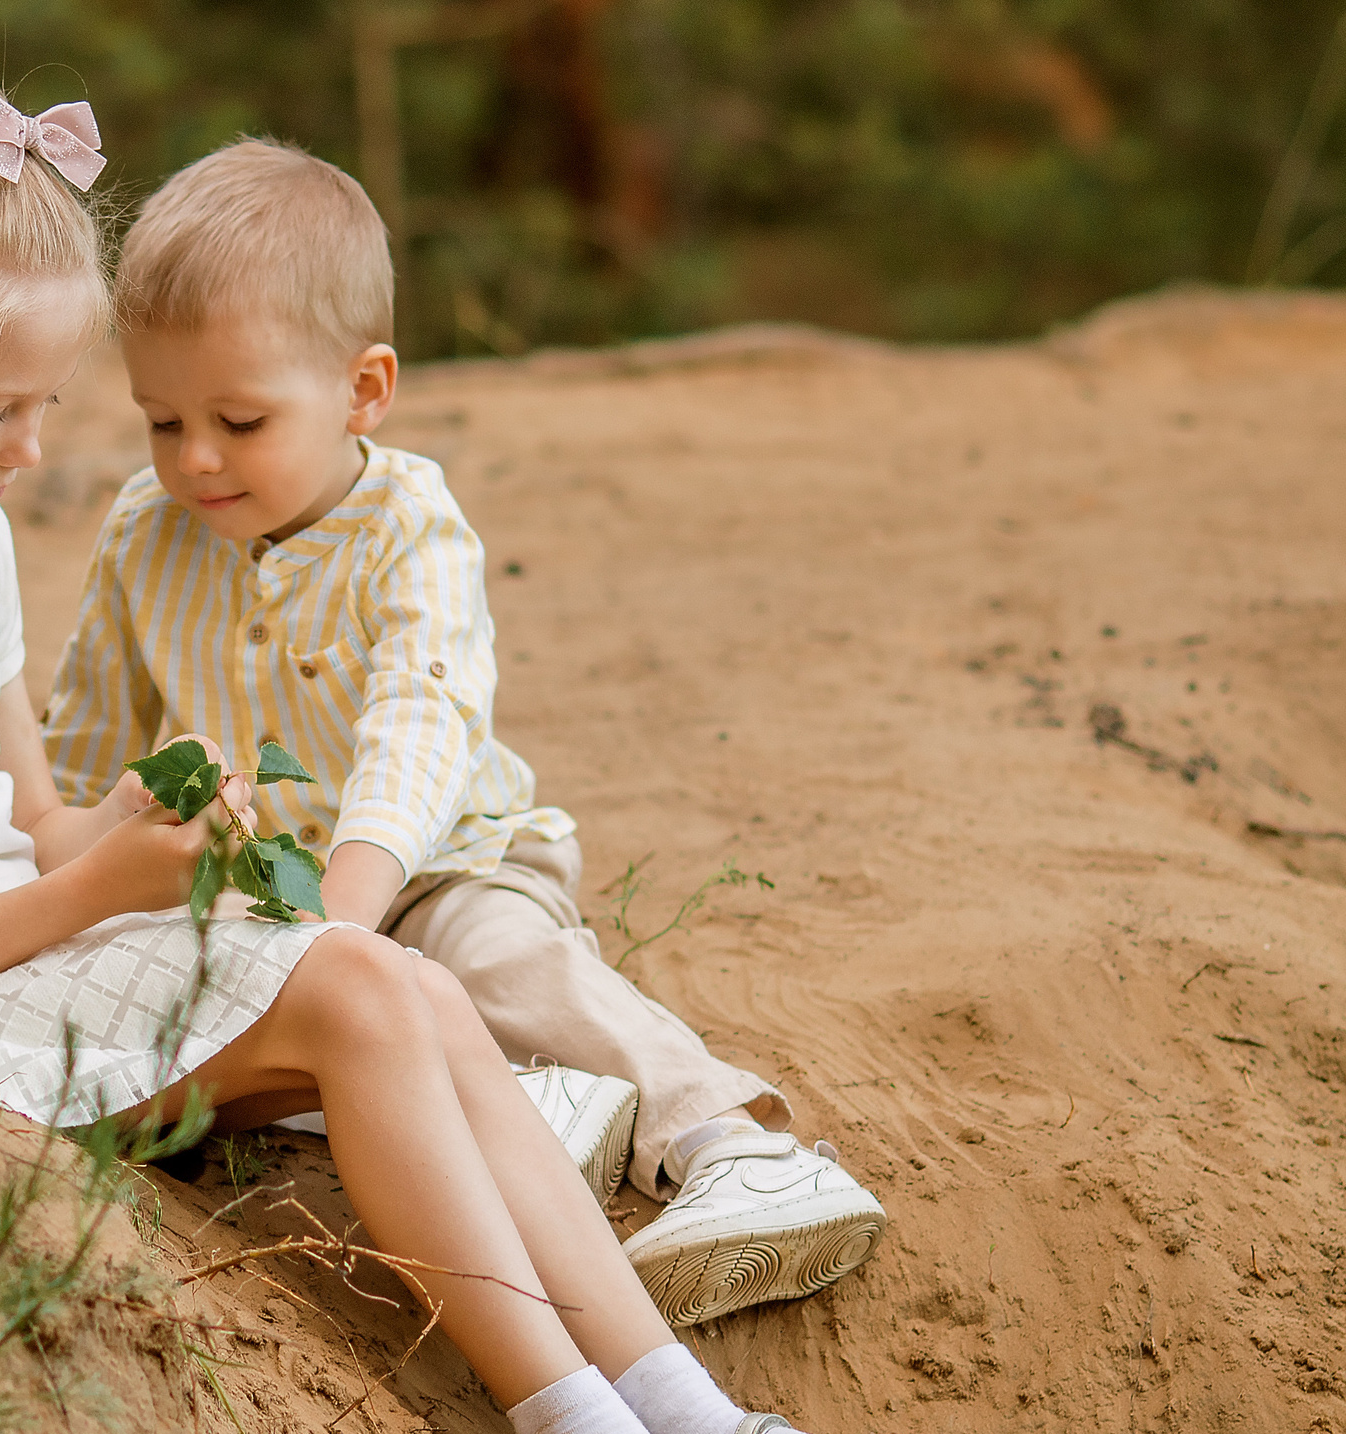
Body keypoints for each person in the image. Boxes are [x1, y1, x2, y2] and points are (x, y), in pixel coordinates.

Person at [0, 65, 959, 1434]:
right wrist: (87, 884)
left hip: (12, 959)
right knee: (352, 987)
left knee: (402, 988)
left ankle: (690, 1423)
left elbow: (31, 815)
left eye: (49, 407)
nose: (32, 451)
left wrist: (134, 827)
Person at [46, 138, 890, 1331]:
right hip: (262, 902)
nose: (193, 459)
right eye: (158, 420)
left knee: (495, 958)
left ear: (363, 390)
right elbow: (81, 743)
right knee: (179, 993)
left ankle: (729, 1143)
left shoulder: (410, 525)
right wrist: (73, 863)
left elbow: (418, 728)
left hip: (439, 861)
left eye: (239, 419)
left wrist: (347, 915)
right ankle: (534, 1108)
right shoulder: (143, 533)